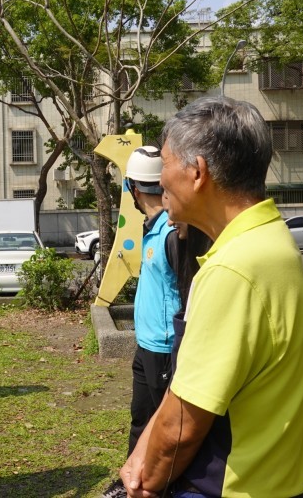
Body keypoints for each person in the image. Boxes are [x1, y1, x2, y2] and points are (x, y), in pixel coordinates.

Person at [121, 96, 303, 497]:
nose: (160, 182)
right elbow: (187, 385)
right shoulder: (270, 238)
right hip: (278, 479)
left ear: (197, 172)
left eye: (165, 164)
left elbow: (183, 424)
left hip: (233, 485)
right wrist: (141, 449)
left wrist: (148, 480)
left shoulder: (233, 268)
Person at [103, 147, 209, 498]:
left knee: (165, 426)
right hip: (146, 343)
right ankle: (131, 481)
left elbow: (187, 293)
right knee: (141, 418)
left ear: (132, 188)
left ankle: (164, 486)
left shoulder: (173, 232)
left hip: (165, 347)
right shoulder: (153, 227)